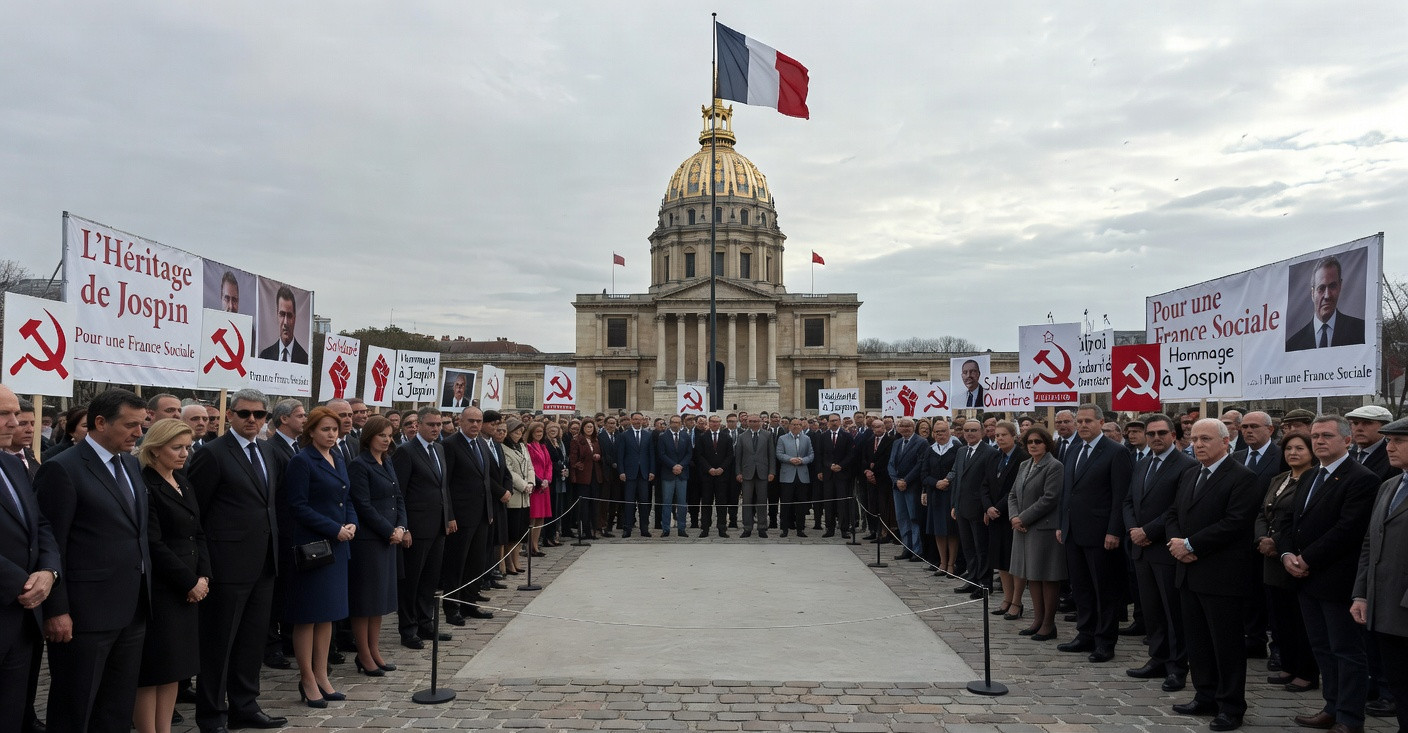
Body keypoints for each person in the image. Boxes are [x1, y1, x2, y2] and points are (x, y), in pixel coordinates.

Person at [34, 388, 152, 733]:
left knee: (116, 708)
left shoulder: (130, 463)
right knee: (75, 707)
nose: (139, 433)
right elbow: (52, 544)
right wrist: (56, 609)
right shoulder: (62, 469)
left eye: (141, 424)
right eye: (131, 425)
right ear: (100, 422)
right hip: (84, 616)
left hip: (132, 608)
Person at [185, 388, 286, 733]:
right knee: (218, 645)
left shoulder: (269, 452)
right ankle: (212, 714)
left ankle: (245, 705)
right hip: (226, 566)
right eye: (245, 414)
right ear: (230, 415)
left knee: (251, 641)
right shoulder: (213, 454)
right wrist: (205, 567)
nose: (253, 421)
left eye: (260, 415)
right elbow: (195, 512)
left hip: (264, 563)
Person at [1279, 414, 1378, 733]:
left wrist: (1307, 558)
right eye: (1316, 436)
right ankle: (1331, 707)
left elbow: (1348, 529)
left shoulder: (1361, 478)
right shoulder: (1309, 476)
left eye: (1326, 436)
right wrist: (1286, 554)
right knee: (1321, 647)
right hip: (1305, 580)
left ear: (1347, 441)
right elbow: (1291, 521)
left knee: (1346, 651)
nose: (1318, 441)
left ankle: (1350, 718)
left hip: (1338, 580)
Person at [1166, 418, 1260, 732]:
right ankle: (1204, 694)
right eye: (1194, 438)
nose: (1199, 444)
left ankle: (1231, 706)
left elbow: (1236, 523)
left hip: (1222, 575)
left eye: (1206, 438)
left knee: (1227, 645)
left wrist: (1193, 544)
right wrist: (1178, 543)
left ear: (1225, 441)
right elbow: (1173, 513)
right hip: (1188, 571)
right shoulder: (1190, 472)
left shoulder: (1242, 477)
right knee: (1198, 641)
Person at [135, 418, 209, 733]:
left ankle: (164, 728)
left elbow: (198, 533)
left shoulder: (184, 481)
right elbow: (153, 543)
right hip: (165, 588)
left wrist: (204, 576)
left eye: (187, 447)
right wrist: (188, 581)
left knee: (176, 667)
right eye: (176, 447)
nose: (183, 454)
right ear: (155, 449)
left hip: (191, 586)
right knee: (154, 668)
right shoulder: (146, 485)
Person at [281, 406, 358, 707]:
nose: (331, 434)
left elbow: (346, 497)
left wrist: (351, 523)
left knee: (328, 614)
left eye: (334, 430)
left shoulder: (337, 457)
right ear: (310, 431)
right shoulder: (302, 461)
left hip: (339, 544)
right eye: (325, 429)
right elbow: (298, 506)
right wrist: (333, 528)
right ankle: (307, 678)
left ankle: (322, 674)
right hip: (314, 546)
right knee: (308, 615)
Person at [1123, 414, 1198, 692]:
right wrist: (1133, 529)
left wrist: (1148, 532)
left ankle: (1177, 668)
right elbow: (1129, 500)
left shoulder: (1185, 466)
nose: (1156, 438)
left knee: (1172, 612)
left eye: (1162, 433)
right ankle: (1157, 658)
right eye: (1151, 433)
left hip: (1165, 548)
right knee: (1152, 609)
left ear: (1174, 436)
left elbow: (1176, 508)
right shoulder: (1142, 464)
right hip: (1140, 548)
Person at [0, 385, 60, 733]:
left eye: (15, 414)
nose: (14, 422)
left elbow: (40, 525)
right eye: (4, 415)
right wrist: (23, 582)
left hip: (22, 620)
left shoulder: (13, 464)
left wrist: (49, 571)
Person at [1056, 404, 1133, 664]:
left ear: (1101, 422)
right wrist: (1061, 524)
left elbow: (1120, 495)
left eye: (1088, 420)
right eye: (1079, 421)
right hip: (1074, 532)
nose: (1082, 425)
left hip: (1101, 534)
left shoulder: (1116, 452)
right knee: (1081, 587)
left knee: (1104, 589)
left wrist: (1114, 530)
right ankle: (1085, 633)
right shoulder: (1073, 449)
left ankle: (1105, 641)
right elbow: (1067, 491)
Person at [1351, 416, 1408, 733]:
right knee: (1398, 683)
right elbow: (1371, 543)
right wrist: (1362, 593)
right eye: (1388, 440)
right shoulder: (1390, 485)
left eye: (1398, 441)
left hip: (1404, 604)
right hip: (1384, 606)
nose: (1390, 446)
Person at [1256, 432, 1320, 694]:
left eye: (1300, 448)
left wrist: (1278, 543)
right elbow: (1263, 512)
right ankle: (1288, 665)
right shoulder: (1279, 479)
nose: (1293, 453)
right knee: (1280, 617)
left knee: (1299, 620)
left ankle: (1305, 672)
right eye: (1289, 449)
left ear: (1311, 452)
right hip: (1271, 558)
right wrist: (1261, 538)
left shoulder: (1313, 479)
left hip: (1294, 556)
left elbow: (1299, 519)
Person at [347, 416, 406, 678]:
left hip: (390, 539)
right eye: (382, 435)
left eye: (390, 435)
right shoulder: (360, 465)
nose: (387, 439)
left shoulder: (388, 461)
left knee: (381, 600)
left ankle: (374, 649)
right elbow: (363, 504)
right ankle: (364, 653)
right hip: (370, 540)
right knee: (366, 601)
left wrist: (402, 527)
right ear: (369, 436)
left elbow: (398, 497)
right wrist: (388, 530)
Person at [391, 407, 453, 650]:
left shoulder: (439, 448)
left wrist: (448, 517)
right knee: (412, 581)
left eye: (438, 424)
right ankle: (408, 629)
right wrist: (403, 527)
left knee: (429, 580)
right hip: (415, 528)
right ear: (419, 425)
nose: (436, 429)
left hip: (437, 526)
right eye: (431, 424)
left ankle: (426, 623)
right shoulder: (406, 452)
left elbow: (442, 486)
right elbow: (400, 493)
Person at [439, 407, 496, 624]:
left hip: (481, 514)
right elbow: (446, 483)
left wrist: (489, 510)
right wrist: (450, 515)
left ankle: (470, 604)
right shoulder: (450, 445)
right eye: (470, 420)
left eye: (479, 421)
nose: (475, 425)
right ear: (460, 421)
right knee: (456, 563)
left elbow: (486, 480)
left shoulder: (482, 443)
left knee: (476, 562)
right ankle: (452, 607)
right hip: (460, 516)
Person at [1008, 425, 1065, 641]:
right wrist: (1014, 517)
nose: (1033, 445)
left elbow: (1050, 498)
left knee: (1047, 576)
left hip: (1043, 528)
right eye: (1030, 442)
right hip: (1022, 528)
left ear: (1047, 444)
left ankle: (1049, 623)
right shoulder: (1024, 464)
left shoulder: (1054, 466)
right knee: (1031, 575)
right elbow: (1012, 494)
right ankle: (1037, 619)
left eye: (1038, 442)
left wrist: (1023, 518)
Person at [983, 421, 1028, 619]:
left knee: (1014, 561)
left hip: (1011, 515)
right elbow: (984, 484)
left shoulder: (1023, 458)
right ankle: (1006, 599)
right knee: (1000, 560)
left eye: (1004, 435)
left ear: (1014, 436)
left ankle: (1017, 601)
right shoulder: (995, 456)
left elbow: (1014, 488)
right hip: (994, 516)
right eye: (997, 435)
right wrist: (987, 507)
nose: (999, 438)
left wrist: (997, 508)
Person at [950, 419, 995, 596]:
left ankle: (984, 583)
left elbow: (990, 483)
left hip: (979, 508)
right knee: (968, 547)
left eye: (974, 430)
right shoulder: (961, 451)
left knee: (981, 548)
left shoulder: (989, 452)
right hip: (962, 507)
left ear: (982, 432)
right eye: (967, 430)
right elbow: (957, 479)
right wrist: (954, 504)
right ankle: (972, 579)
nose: (970, 433)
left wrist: (987, 508)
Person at [1285, 255, 1367, 351]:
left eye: (1332, 286)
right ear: (1312, 293)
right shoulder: (1293, 345)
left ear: (1340, 286)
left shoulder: (1361, 332)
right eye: (1321, 288)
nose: (1327, 295)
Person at [921, 419, 961, 576]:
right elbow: (924, 474)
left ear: (949, 431)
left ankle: (952, 564)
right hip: (935, 495)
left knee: (951, 531)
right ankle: (942, 562)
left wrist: (947, 482)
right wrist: (935, 483)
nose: (940, 434)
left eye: (943, 431)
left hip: (951, 495)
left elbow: (958, 470)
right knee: (938, 530)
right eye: (937, 432)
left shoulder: (957, 448)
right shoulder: (930, 450)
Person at [888, 418, 927, 559]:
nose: (905, 428)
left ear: (914, 427)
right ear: (898, 428)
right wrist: (896, 480)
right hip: (897, 487)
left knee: (913, 517)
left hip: (912, 486)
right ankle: (906, 547)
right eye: (902, 426)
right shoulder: (897, 443)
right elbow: (891, 463)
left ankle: (917, 550)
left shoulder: (921, 442)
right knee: (902, 518)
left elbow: (920, 464)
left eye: (908, 426)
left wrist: (906, 480)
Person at [735, 414, 776, 539]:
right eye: (751, 421)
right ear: (747, 422)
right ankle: (747, 527)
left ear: (760, 422)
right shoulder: (742, 437)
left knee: (762, 501)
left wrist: (772, 472)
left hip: (763, 473)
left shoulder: (767, 435)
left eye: (756, 421)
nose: (754, 423)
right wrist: (738, 472)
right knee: (746, 501)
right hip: (747, 473)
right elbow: (738, 457)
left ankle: (762, 527)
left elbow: (771, 455)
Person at [616, 413, 656, 538]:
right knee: (629, 502)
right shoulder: (624, 435)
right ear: (631, 420)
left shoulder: (648, 435)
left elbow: (651, 455)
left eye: (639, 419)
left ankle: (644, 528)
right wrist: (621, 471)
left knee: (644, 502)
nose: (637, 421)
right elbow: (620, 455)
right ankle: (627, 528)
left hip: (644, 474)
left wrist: (652, 471)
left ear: (643, 420)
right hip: (629, 474)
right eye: (635, 419)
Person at [815, 414, 855, 538]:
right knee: (829, 502)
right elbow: (820, 455)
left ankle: (844, 528)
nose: (833, 423)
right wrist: (828, 466)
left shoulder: (847, 436)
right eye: (831, 421)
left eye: (835, 421)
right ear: (828, 423)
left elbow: (850, 454)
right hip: (828, 474)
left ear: (840, 421)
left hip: (842, 474)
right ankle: (829, 528)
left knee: (842, 502)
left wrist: (840, 465)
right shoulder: (823, 436)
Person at [696, 415, 734, 538]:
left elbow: (730, 456)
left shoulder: (726, 437)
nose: (714, 424)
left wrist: (721, 468)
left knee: (721, 503)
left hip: (722, 476)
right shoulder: (702, 437)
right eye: (712, 422)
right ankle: (705, 528)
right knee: (706, 503)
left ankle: (722, 528)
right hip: (707, 476)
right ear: (709, 423)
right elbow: (699, 455)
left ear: (720, 423)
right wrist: (709, 469)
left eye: (717, 422)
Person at [775, 418, 814, 538]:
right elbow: (779, 454)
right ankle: (784, 529)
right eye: (794, 424)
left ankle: (800, 529)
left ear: (802, 426)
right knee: (786, 503)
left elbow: (811, 454)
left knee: (801, 504)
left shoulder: (806, 439)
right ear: (789, 426)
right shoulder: (782, 438)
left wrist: (802, 460)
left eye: (798, 424)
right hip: (787, 475)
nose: (796, 426)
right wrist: (790, 459)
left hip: (802, 475)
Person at [654, 416, 691, 537]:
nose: (676, 424)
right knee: (667, 502)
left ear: (681, 424)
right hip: (668, 473)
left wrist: (680, 466)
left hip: (682, 473)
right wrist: (673, 466)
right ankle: (666, 528)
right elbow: (661, 454)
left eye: (678, 422)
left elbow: (689, 453)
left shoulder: (685, 436)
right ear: (670, 423)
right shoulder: (663, 437)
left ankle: (682, 528)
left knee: (682, 502)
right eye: (674, 422)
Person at [860, 418, 895, 545]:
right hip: (870, 479)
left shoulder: (891, 441)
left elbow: (888, 459)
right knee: (872, 505)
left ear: (884, 427)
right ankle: (874, 531)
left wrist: (874, 471)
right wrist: (867, 471)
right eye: (874, 427)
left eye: (879, 427)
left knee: (883, 506)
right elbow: (864, 458)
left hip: (883, 479)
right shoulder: (869, 441)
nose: (877, 429)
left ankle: (885, 533)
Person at [257, 285, 309, 363]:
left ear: (294, 318)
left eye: (289, 316)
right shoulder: (265, 356)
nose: (285, 322)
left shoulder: (305, 360)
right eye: (282, 314)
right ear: (277, 315)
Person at [517, 421, 546, 559]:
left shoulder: (543, 446)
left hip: (544, 485)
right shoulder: (528, 446)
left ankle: (535, 545)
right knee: (532, 518)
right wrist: (539, 481)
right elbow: (529, 467)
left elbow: (549, 464)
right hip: (535, 484)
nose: (539, 434)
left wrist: (547, 480)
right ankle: (529, 546)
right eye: (537, 432)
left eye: (541, 432)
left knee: (541, 518)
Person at [1345, 405, 1397, 482]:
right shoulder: (1346, 454)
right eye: (1355, 423)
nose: (1359, 428)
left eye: (1367, 423)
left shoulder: (1394, 458)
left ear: (1385, 427)